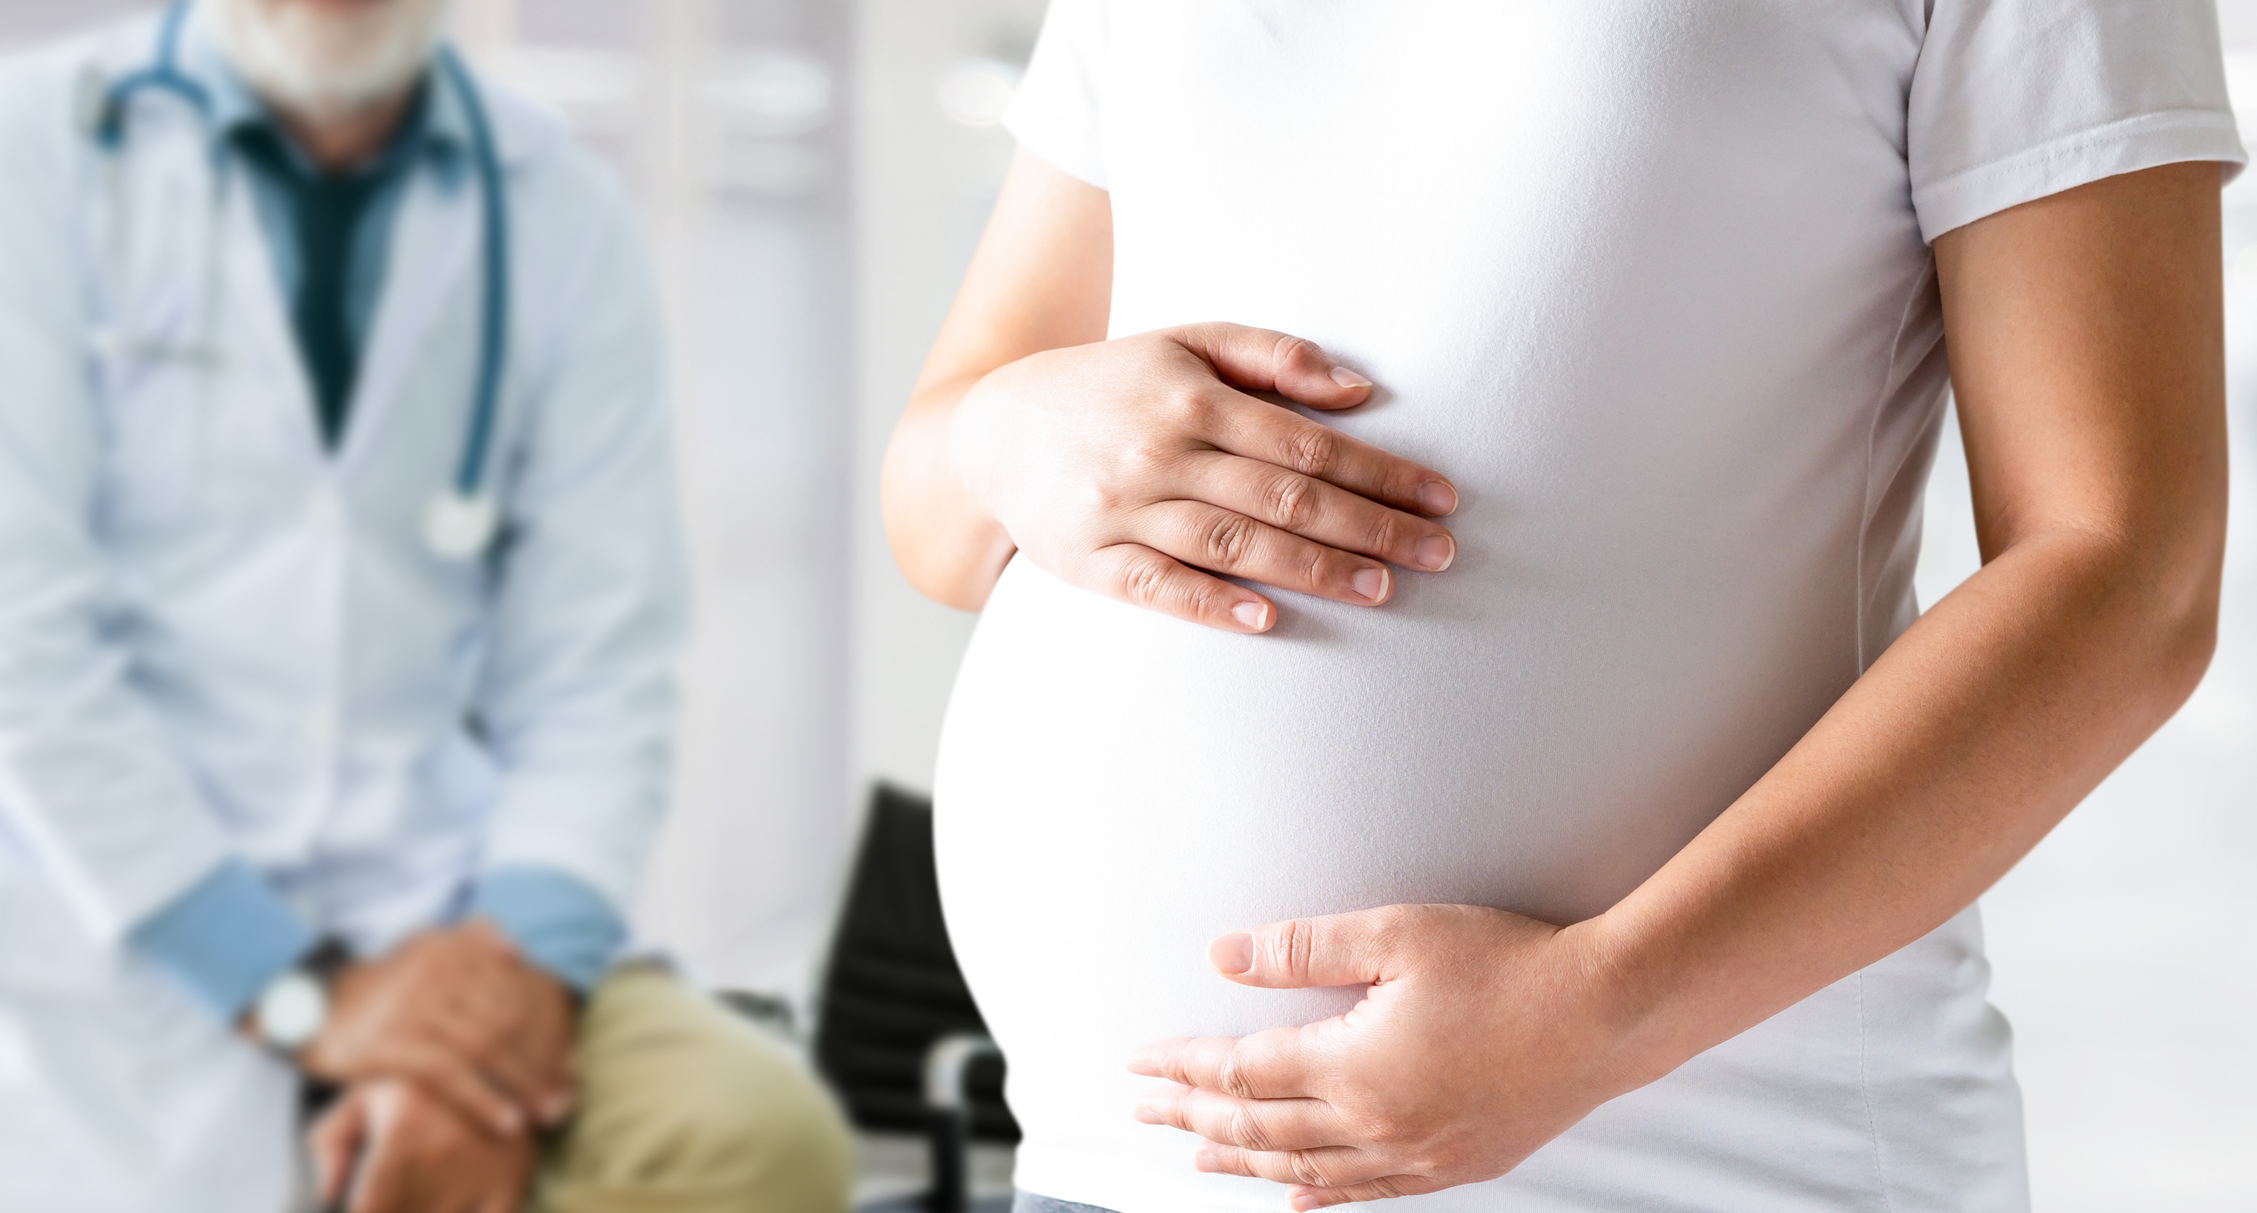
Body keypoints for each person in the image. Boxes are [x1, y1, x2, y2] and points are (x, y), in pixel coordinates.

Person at [884, 2, 2239, 1210]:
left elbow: (2123, 572)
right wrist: (1005, 434)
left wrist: (1597, 1011)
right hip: (1113, 1165)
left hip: (1706, 1160)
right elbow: (938, 510)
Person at [0, 1, 853, 1211]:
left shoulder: (555, 208)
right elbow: (16, 650)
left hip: (428, 909)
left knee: (743, 1134)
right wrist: (307, 1000)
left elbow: (598, 670)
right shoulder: (29, 145)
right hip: (81, 929)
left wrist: (500, 1001)